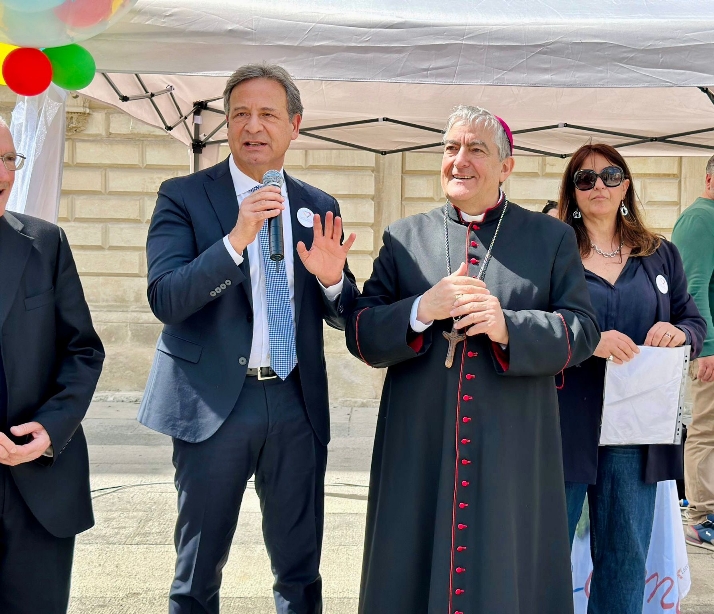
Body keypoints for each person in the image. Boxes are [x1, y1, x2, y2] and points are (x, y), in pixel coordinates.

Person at [345, 105, 600, 614]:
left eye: (475, 149)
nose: (459, 160)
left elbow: (583, 330)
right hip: (421, 445)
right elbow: (363, 334)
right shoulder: (404, 237)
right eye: (450, 148)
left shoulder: (551, 238)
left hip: (513, 447)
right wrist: (421, 310)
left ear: (506, 166)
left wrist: (509, 326)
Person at [138, 63, 359, 614]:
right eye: (240, 114)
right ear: (227, 126)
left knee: (300, 571)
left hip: (294, 402)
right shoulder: (183, 196)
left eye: (267, 114)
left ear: (295, 126)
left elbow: (344, 310)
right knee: (197, 571)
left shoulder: (318, 205)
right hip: (213, 402)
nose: (253, 126)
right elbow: (166, 297)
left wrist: (334, 281)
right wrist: (237, 239)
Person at [557, 143, 706, 614]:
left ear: (626, 184)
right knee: (546, 556)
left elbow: (694, 322)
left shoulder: (660, 254)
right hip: (563, 426)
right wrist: (588, 340)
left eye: (609, 174)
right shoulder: (554, 251)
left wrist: (678, 331)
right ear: (573, 191)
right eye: (585, 179)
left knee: (624, 559)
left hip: (635, 430)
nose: (598, 185)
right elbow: (532, 323)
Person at [0, 119, 105, 613]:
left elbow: (83, 350)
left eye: (8, 159)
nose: (3, 174)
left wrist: (50, 427)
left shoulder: (46, 244)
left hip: (38, 489)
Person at [672, 155, 714, 549]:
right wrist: (707, 349)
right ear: (709, 179)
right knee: (705, 428)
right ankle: (701, 516)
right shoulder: (701, 219)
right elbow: (694, 289)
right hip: (711, 352)